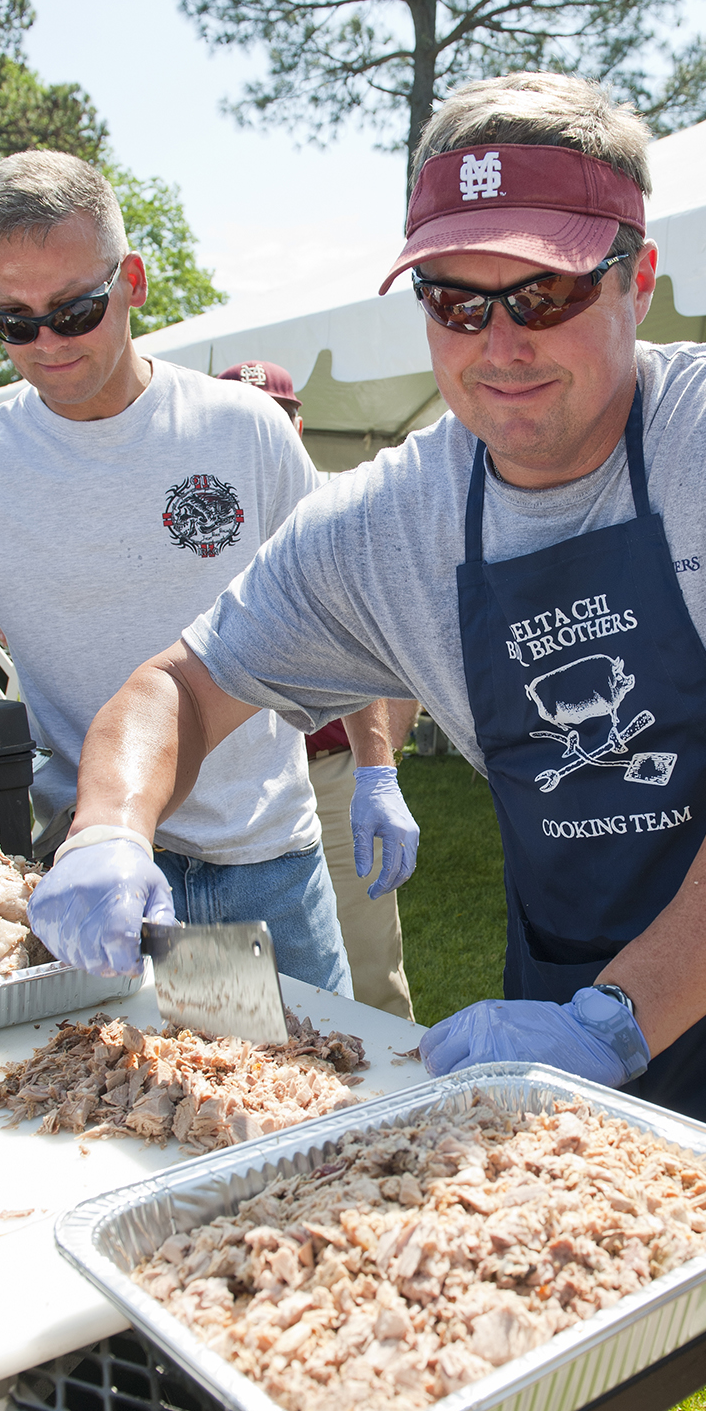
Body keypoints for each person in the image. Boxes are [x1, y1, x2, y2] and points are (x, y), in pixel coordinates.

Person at [28, 74, 706, 1411]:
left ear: (635, 276)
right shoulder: (391, 516)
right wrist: (109, 825)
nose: (498, 341)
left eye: (545, 293)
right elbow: (168, 688)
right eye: (457, 299)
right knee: (559, 1311)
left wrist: (615, 1022)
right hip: (565, 974)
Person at [0, 149, 420, 990]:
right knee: (139, 1108)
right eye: (12, 319)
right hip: (98, 875)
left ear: (133, 282)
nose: (45, 342)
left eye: (74, 310)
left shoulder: (242, 430)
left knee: (303, 1095)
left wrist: (376, 770)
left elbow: (340, 605)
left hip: (255, 859)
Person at [217, 359, 419, 1017]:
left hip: (330, 774)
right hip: (218, 789)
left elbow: (401, 649)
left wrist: (376, 766)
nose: (258, 434)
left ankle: (395, 1116)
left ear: (297, 425)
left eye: (273, 418)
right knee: (224, 999)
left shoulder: (342, 516)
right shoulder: (191, 528)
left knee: (367, 978)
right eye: (237, 418)